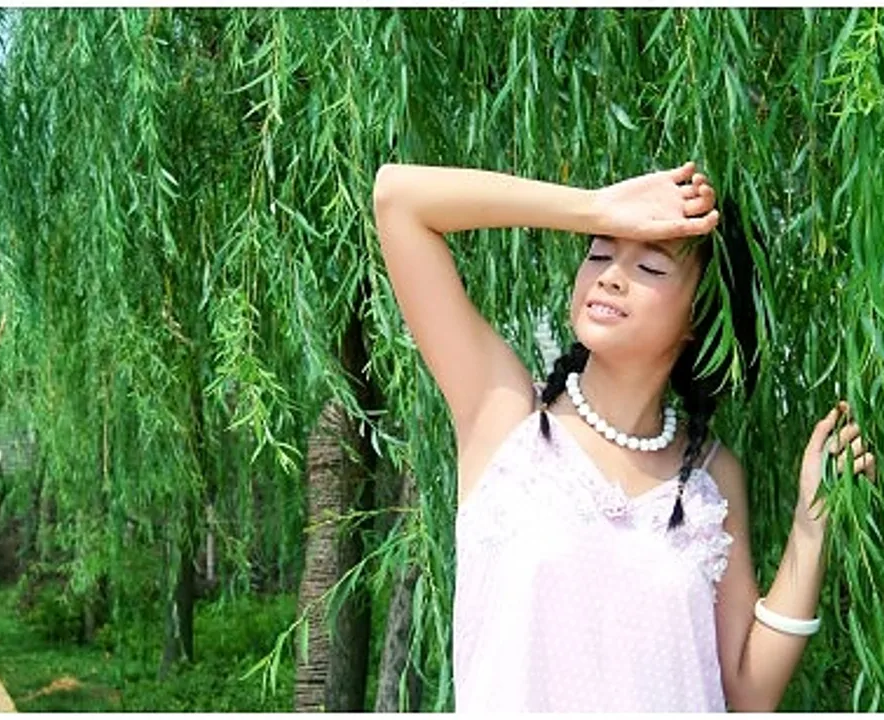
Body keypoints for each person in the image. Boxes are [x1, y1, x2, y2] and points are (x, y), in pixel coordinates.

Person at [372, 161, 876, 712]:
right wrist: (596, 207)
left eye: (651, 267)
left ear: (699, 317)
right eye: (599, 253)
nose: (611, 276)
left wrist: (810, 527)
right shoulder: (504, 413)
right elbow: (400, 200)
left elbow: (747, 692)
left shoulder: (709, 477)